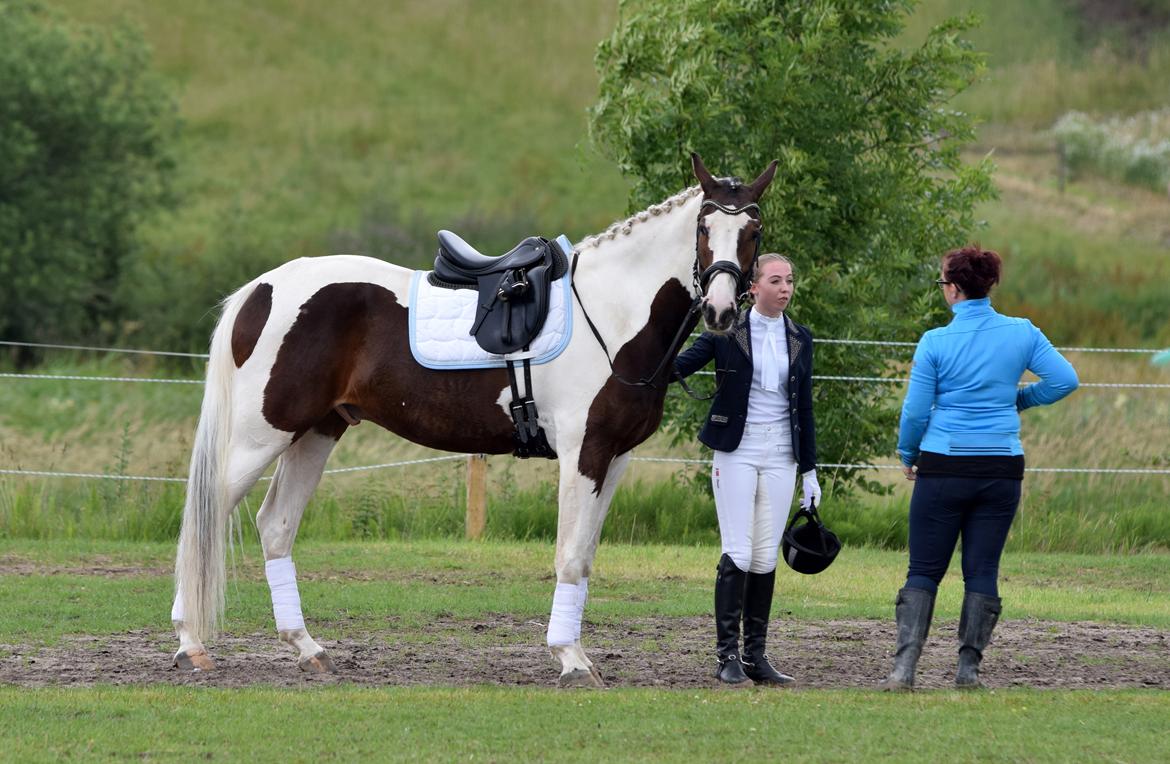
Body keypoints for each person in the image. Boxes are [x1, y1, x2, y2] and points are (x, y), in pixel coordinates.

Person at [880, 245, 1079, 691]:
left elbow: (914, 412)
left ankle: (903, 670)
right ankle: (968, 671)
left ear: (952, 289)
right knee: (982, 569)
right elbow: (1066, 380)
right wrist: (1021, 399)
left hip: (944, 465)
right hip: (1000, 467)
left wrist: (908, 453)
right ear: (988, 286)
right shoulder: (1022, 332)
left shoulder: (935, 341)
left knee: (924, 569)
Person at [675, 253, 821, 687]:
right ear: (752, 288)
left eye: (790, 281)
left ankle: (757, 655)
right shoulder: (726, 331)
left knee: (762, 557)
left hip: (782, 455)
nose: (785, 288)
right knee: (738, 551)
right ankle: (727, 656)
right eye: (776, 280)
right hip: (737, 450)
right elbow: (678, 366)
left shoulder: (801, 338)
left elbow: (806, 407)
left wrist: (810, 471)